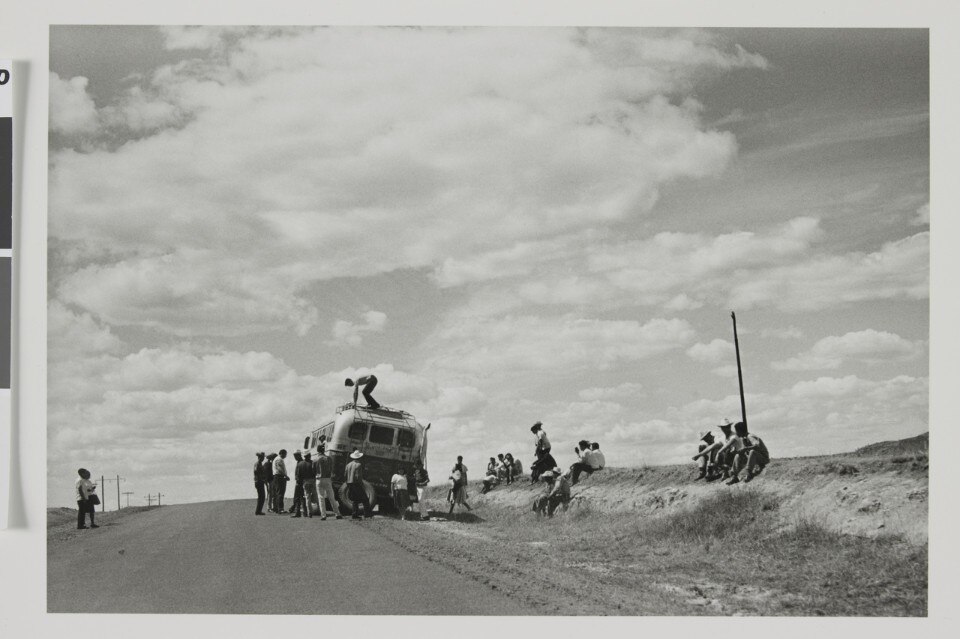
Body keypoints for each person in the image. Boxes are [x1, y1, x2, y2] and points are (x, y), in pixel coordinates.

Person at [314, 442, 342, 520]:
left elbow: (313, 470)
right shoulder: (329, 458)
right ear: (324, 450)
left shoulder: (315, 459)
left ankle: (323, 515)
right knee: (331, 497)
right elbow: (331, 468)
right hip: (328, 479)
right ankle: (337, 514)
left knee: (321, 497)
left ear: (317, 450)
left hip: (319, 479)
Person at [345, 450, 373, 519]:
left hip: (349, 483)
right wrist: (361, 483)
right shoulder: (358, 464)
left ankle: (354, 514)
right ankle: (367, 514)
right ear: (359, 457)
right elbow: (358, 476)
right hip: (356, 483)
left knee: (355, 500)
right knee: (365, 499)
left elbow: (345, 475)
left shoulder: (348, 465)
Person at [298, 451, 318, 518]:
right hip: (312, 481)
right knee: (316, 496)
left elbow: (299, 475)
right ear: (309, 456)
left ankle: (309, 513)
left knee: (307, 497)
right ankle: (320, 510)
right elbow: (316, 472)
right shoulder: (313, 463)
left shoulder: (300, 464)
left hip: (305, 481)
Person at [273, 449, 289, 514]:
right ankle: (280, 508)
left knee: (278, 493)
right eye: (285, 454)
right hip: (279, 477)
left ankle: (277, 508)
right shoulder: (279, 459)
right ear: (282, 453)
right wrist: (285, 475)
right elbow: (279, 469)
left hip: (277, 477)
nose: (286, 456)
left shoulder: (277, 459)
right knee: (280, 493)